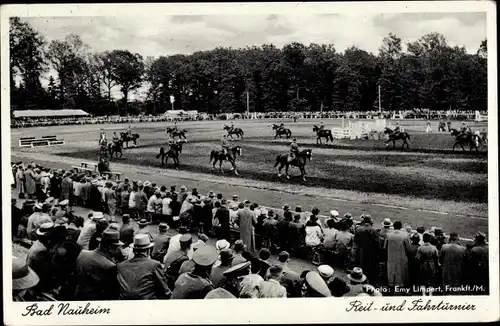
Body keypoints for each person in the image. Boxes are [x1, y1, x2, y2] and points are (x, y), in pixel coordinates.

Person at [117, 234, 171, 300]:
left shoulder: (120, 266)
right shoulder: (154, 264)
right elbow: (165, 290)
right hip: (146, 304)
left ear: (134, 251)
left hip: (124, 303)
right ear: (148, 250)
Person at [74, 229, 123, 300]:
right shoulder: (110, 266)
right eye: (116, 247)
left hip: (78, 295)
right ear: (109, 248)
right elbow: (111, 291)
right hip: (95, 301)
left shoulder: (83, 253)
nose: (118, 249)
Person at [384, 220, 411, 290]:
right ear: (401, 227)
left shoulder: (388, 235)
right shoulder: (405, 235)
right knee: (401, 274)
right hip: (401, 258)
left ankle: (391, 288)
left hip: (391, 257)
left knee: (391, 273)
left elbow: (385, 247)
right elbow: (409, 248)